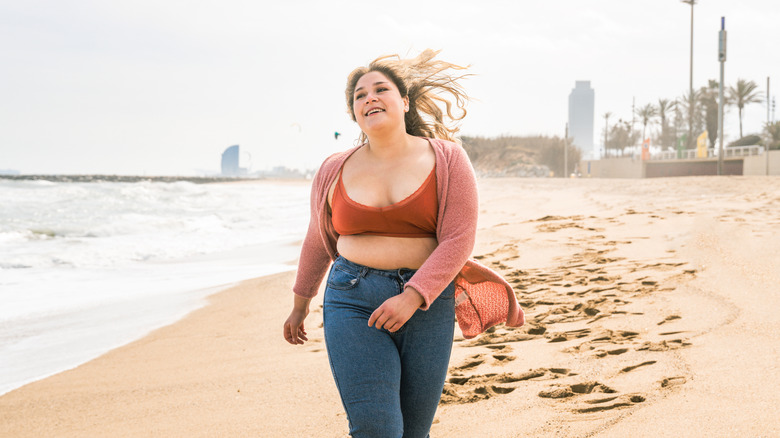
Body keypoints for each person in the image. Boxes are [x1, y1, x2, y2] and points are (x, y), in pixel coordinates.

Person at [283, 49, 524, 438]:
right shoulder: (333, 169)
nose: (370, 98)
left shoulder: (448, 159)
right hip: (351, 298)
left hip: (428, 304)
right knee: (378, 429)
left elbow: (459, 238)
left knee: (413, 432)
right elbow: (317, 238)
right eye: (359, 96)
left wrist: (412, 297)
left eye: (381, 89)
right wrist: (300, 304)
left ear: (405, 101)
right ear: (354, 113)